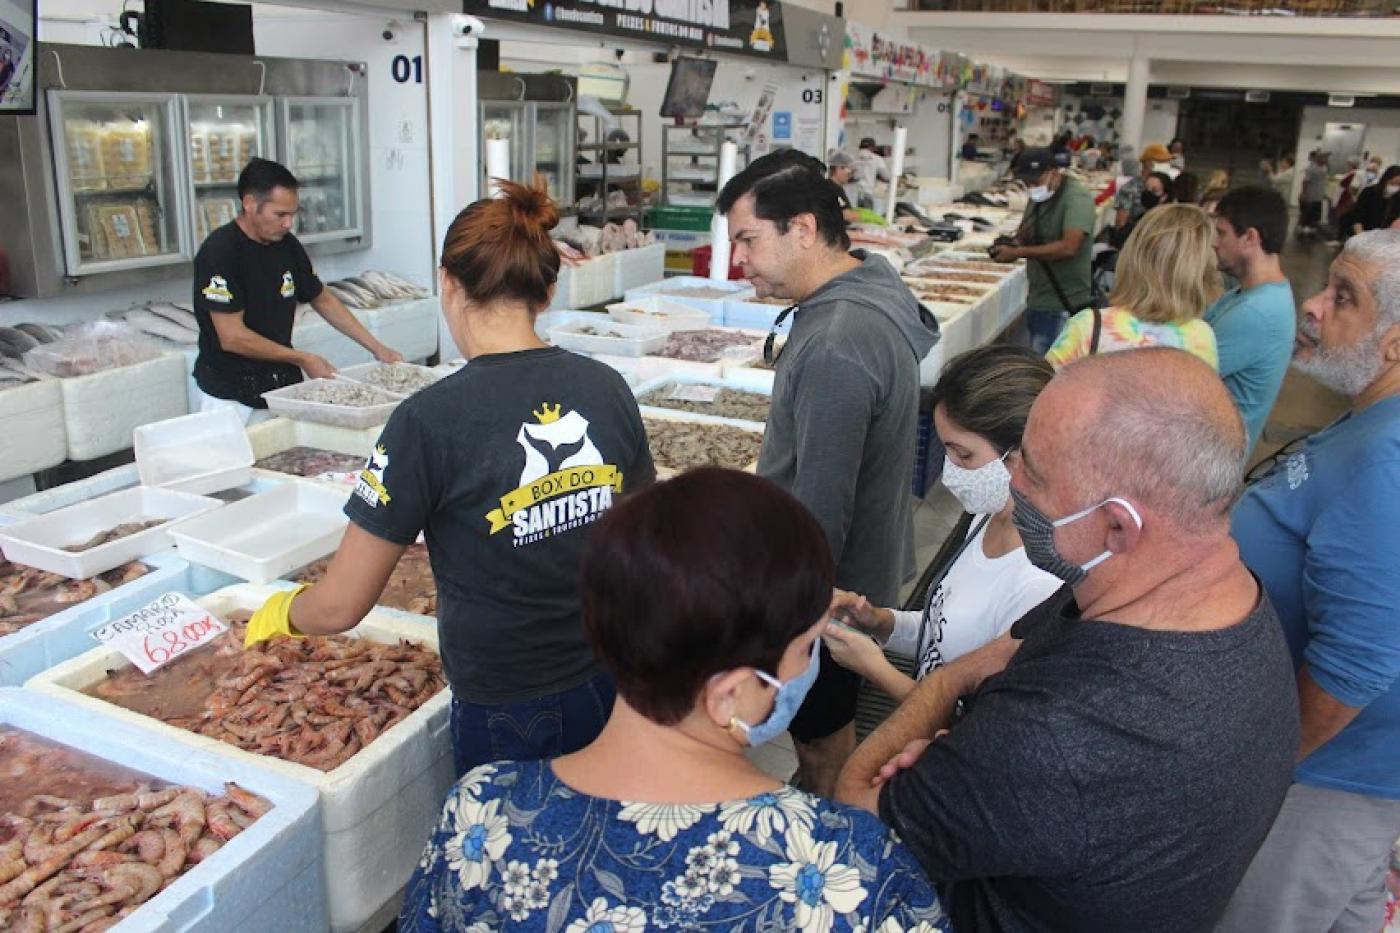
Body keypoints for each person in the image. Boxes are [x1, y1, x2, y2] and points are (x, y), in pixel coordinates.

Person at [835, 347, 1300, 933]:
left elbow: (858, 812)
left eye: (1035, 471)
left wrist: (951, 682)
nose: (1015, 482)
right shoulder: (1225, 599)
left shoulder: (1057, 735)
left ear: (1118, 524)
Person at [399, 469, 950, 933]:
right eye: (806, 648)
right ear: (729, 693)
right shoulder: (846, 866)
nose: (812, 665)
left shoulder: (478, 814)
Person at [244, 180, 656, 776]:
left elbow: (340, 608)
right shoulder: (606, 387)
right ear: (547, 289)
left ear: (448, 283)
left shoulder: (426, 420)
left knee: (508, 862)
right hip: (613, 678)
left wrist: (281, 613)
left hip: (507, 703)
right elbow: (642, 542)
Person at [717, 149, 939, 797]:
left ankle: (833, 848)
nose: (741, 261)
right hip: (858, 573)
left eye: (748, 240)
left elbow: (819, 507)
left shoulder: (838, 340)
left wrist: (789, 613)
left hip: (829, 594)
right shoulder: (866, 290)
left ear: (805, 231)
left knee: (823, 741)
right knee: (828, 729)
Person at [1217, 230, 1400, 933]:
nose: (1314, 305)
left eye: (1342, 297)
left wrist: (1267, 765)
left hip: (1322, 780)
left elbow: (1359, 659)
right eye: (1326, 285)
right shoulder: (1366, 422)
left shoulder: (1387, 463)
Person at [823, 346, 1061, 702]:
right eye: (945, 450)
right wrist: (882, 622)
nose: (950, 470)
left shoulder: (1038, 582)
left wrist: (875, 668)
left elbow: (976, 724)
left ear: (1024, 453)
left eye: (963, 454)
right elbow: (947, 631)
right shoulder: (987, 514)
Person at [191, 158, 402, 424]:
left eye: (293, 214)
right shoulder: (220, 252)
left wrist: (376, 347)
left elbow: (321, 298)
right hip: (230, 398)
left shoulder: (286, 245)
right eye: (280, 215)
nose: (289, 223)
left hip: (280, 389)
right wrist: (302, 358)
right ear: (250, 204)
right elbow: (232, 337)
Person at [1046, 203, 1220, 369]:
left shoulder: (1089, 327)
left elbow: (1042, 393)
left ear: (1132, 253)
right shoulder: (1202, 338)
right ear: (1202, 269)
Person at [1205, 186, 1296, 451]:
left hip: (1210, 459)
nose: (1214, 243)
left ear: (1250, 238)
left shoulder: (1255, 313)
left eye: (1222, 233)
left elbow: (1178, 374)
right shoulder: (1251, 294)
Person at [992, 147, 1096, 354]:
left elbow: (1069, 247)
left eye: (1036, 181)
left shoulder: (1077, 199)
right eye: (1028, 183)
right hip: (1038, 297)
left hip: (1063, 302)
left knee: (1050, 369)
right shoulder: (1039, 196)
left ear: (1054, 172)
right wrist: (1010, 244)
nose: (1032, 187)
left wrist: (1018, 253)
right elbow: (1026, 231)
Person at [1349, 165, 1400, 237]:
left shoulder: (1397, 198)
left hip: (1386, 239)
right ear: (1385, 179)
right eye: (1392, 183)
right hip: (1364, 233)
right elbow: (1357, 217)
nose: (1396, 186)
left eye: (1399, 185)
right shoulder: (1369, 193)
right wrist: (1360, 236)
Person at [826, 149, 862, 224]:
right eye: (849, 173)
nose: (850, 176)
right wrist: (864, 216)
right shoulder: (831, 188)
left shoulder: (837, 187)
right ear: (839, 169)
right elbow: (846, 215)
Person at [1299, 150, 1330, 239]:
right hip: (1310, 196)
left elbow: (1322, 181)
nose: (1326, 159)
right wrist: (1304, 193)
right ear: (1318, 158)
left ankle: (1311, 231)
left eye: (1326, 157)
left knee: (1315, 216)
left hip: (1318, 197)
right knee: (1307, 215)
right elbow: (1305, 181)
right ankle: (1303, 232)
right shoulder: (1312, 168)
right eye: (1324, 157)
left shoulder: (1324, 168)